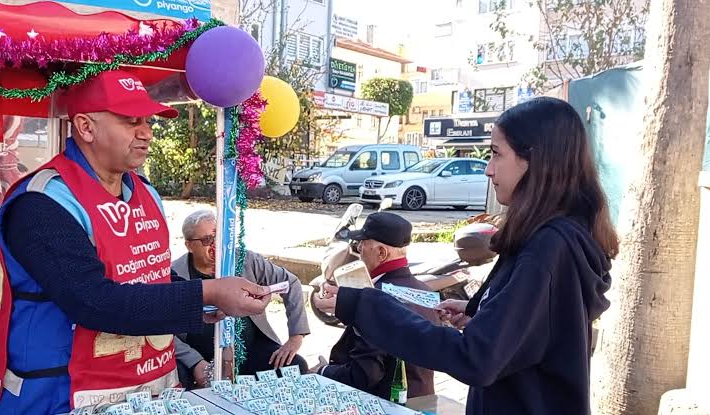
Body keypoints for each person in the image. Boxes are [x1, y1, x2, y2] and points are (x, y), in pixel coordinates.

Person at [0, 70, 271, 414]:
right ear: (85, 127)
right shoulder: (42, 203)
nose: (147, 133)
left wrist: (208, 303)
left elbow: (150, 279)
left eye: (148, 121)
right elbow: (92, 300)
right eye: (130, 121)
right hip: (59, 396)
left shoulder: (145, 192)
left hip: (147, 393)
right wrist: (206, 293)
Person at [316, 97, 619, 415]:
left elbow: (476, 357)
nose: (488, 169)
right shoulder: (563, 236)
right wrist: (481, 309)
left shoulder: (549, 248)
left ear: (535, 161)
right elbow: (537, 325)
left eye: (496, 154)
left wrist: (364, 304)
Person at [171, 210, 310, 388]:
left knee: (294, 366)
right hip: (199, 354)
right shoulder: (175, 273)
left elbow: (291, 282)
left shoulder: (244, 259)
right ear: (189, 245)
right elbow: (163, 331)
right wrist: (194, 362)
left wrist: (296, 336)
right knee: (178, 376)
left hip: (249, 348)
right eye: (207, 240)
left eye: (219, 237)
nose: (215, 245)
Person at [311, 212, 440, 400]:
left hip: (386, 403)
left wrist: (322, 371)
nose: (359, 248)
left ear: (381, 252)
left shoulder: (376, 299)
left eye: (363, 243)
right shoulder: (424, 291)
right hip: (423, 397)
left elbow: (364, 374)